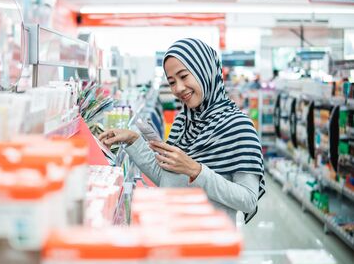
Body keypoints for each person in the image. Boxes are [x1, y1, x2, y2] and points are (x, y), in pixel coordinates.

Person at [99, 38, 265, 223]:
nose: (178, 88)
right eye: (171, 82)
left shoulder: (239, 126)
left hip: (209, 243)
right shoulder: (183, 121)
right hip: (171, 233)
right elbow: (167, 177)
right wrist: (133, 140)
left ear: (205, 71)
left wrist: (196, 170)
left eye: (184, 76)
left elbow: (249, 200)